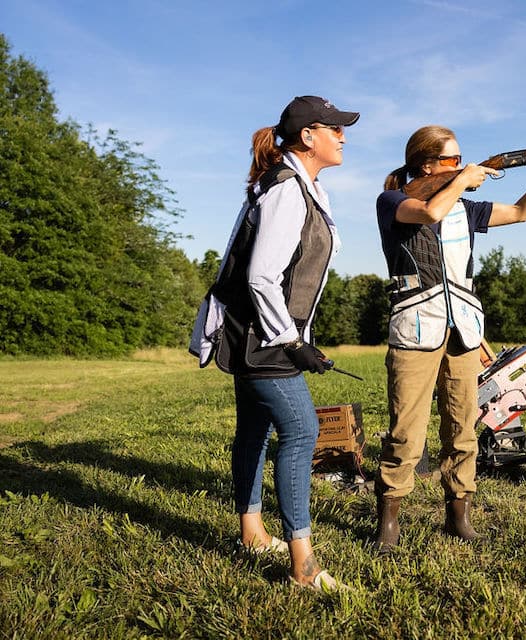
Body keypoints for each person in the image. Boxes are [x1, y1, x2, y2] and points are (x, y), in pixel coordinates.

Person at [372, 125, 526, 553]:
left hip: (463, 332)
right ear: (427, 166)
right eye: (452, 160)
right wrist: (463, 180)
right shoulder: (394, 201)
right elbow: (429, 213)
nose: (462, 166)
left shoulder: (465, 209)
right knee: (406, 434)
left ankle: (458, 515)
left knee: (463, 429)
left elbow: (522, 212)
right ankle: (389, 522)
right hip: (415, 329)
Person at [189, 96, 359, 590]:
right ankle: (303, 569)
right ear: (309, 137)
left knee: (255, 433)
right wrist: (291, 339)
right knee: (303, 432)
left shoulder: (294, 185)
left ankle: (252, 533)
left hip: (256, 335)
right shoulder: (287, 190)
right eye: (335, 128)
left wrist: (302, 337)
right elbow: (263, 277)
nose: (343, 136)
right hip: (263, 340)